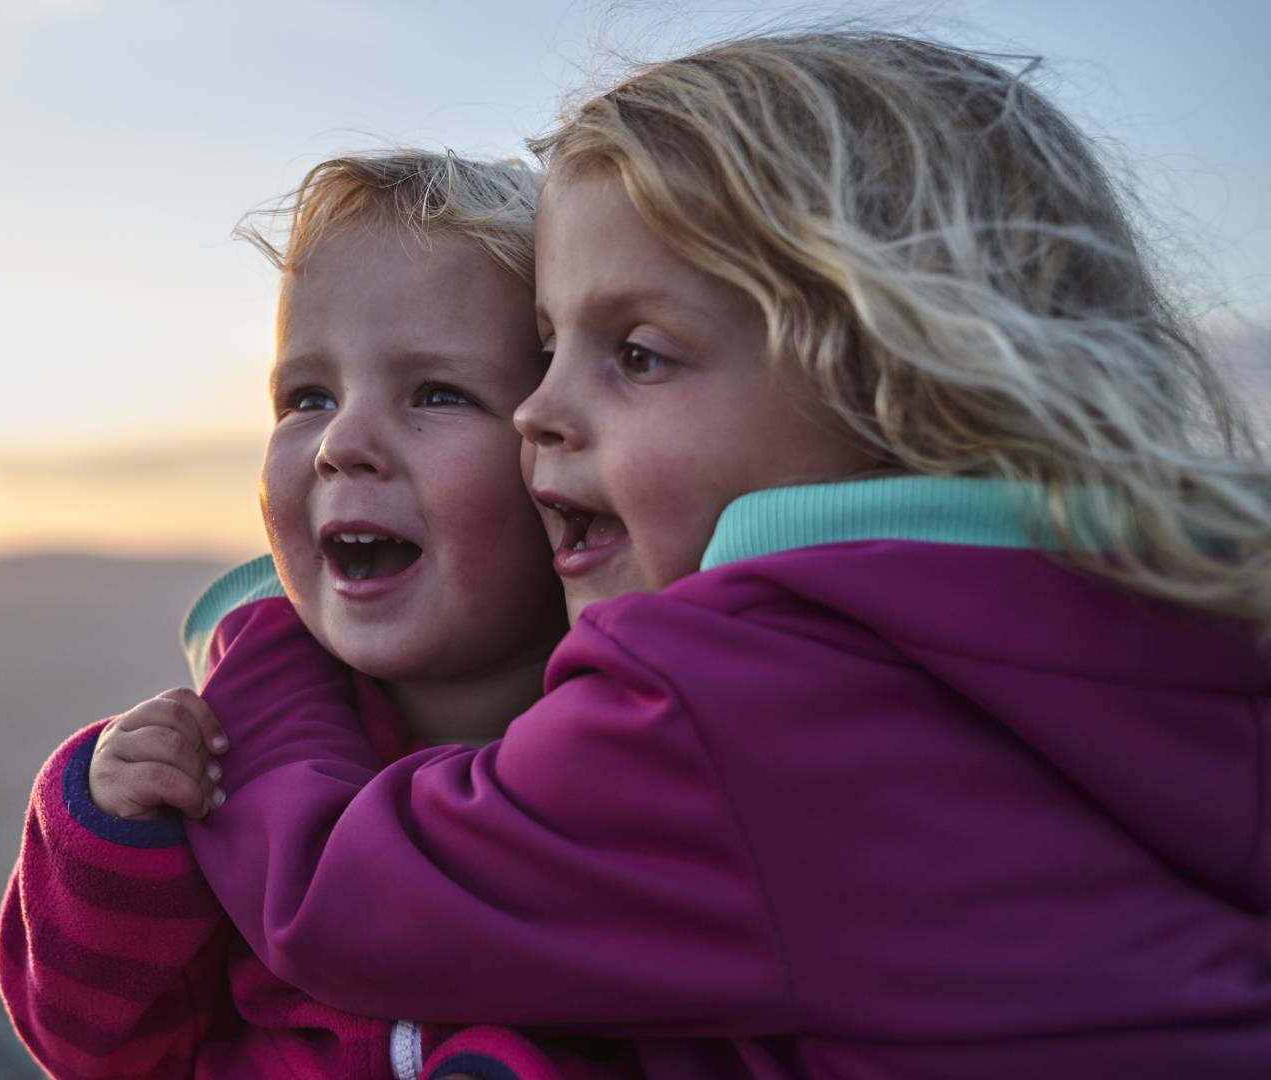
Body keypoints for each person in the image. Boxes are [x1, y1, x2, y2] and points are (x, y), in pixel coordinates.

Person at [180, 31, 1271, 1078]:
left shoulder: (731, 705)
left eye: (639, 356)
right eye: (549, 349)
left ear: (888, 376)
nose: (537, 413)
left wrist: (262, 648)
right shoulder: (1132, 620)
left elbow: (332, 897)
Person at [0, 150, 636, 1078]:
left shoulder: (645, 747)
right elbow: (98, 1046)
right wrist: (107, 824)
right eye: (307, 397)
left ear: (558, 451)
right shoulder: (229, 752)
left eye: (438, 393)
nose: (342, 443)